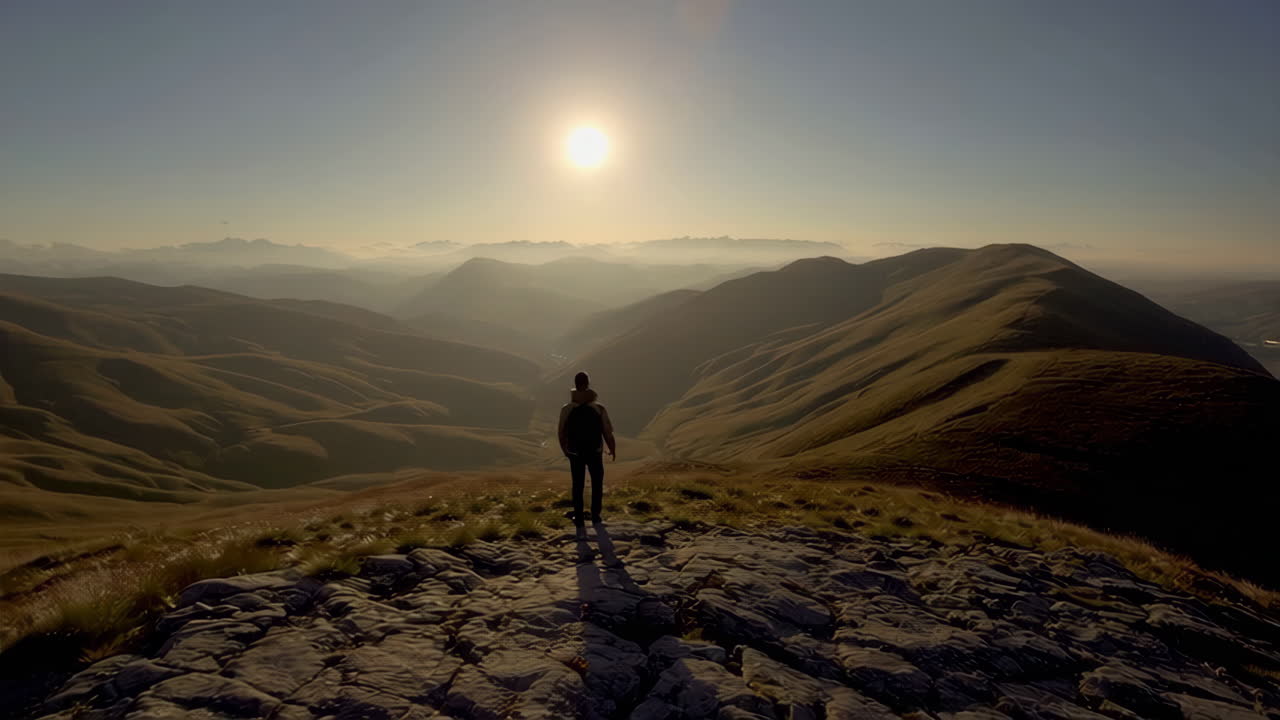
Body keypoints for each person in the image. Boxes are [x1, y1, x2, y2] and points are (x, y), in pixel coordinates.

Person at [558, 371, 617, 526]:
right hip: (594, 451)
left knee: (577, 484)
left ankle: (579, 518)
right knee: (597, 483)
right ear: (588, 384)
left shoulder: (567, 408)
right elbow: (607, 431)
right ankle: (596, 516)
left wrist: (565, 449)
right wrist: (612, 448)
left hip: (575, 452)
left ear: (575, 385)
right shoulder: (598, 408)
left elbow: (561, 432)